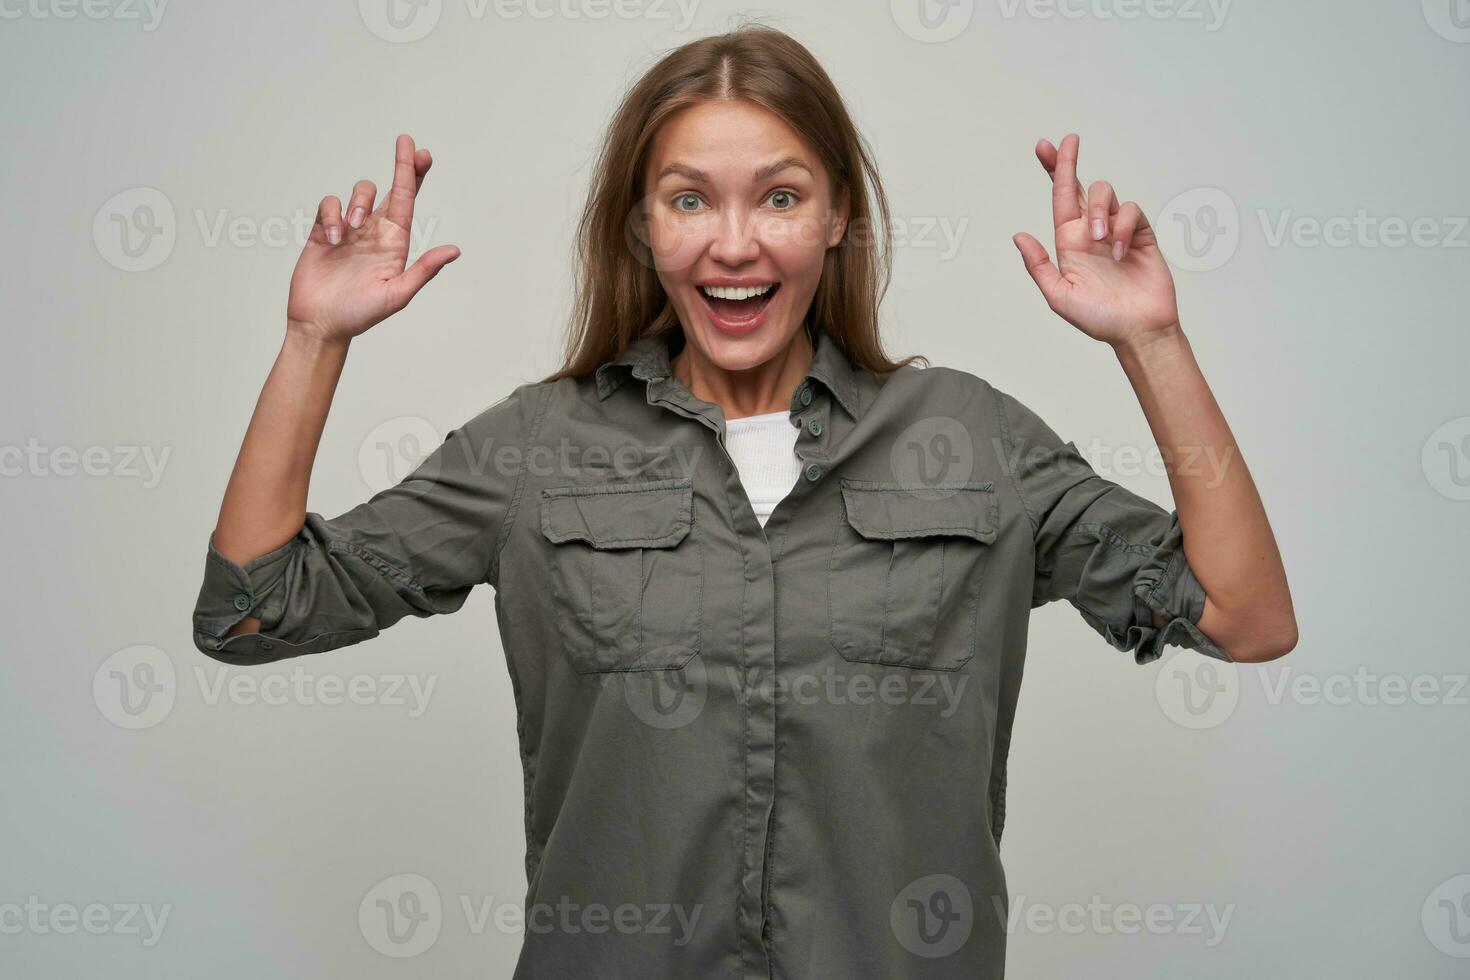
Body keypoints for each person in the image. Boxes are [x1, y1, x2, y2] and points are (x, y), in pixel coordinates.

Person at [190, 24, 1296, 980]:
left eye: (779, 194)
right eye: (689, 199)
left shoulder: (971, 439)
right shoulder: (537, 445)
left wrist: (1152, 341)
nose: (734, 242)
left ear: (836, 217)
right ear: (640, 226)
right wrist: (312, 340)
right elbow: (251, 611)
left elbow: (1245, 616)